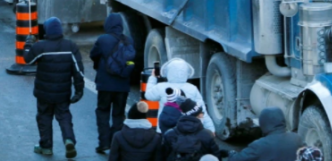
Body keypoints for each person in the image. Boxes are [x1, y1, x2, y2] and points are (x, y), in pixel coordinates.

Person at [25, 17, 84, 158]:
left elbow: (28, 60)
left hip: (43, 93)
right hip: (62, 93)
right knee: (64, 116)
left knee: (44, 117)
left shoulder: (41, 47)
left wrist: (28, 44)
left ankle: (46, 147)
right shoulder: (70, 47)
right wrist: (79, 90)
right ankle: (69, 140)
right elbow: (78, 70)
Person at [90, 13, 135, 154]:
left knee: (103, 111)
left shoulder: (103, 39)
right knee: (118, 114)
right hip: (122, 85)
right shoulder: (128, 40)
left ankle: (104, 143)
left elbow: (93, 55)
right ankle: (116, 145)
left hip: (105, 84)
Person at [145, 58, 215, 133]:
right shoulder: (192, 88)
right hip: (186, 129)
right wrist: (211, 129)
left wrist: (153, 77)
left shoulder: (161, 87)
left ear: (168, 72)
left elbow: (148, 95)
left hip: (165, 129)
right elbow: (202, 110)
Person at [226, 107, 304, 161]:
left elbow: (236, 159)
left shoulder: (260, 145)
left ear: (263, 123)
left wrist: (231, 153)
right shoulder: (297, 138)